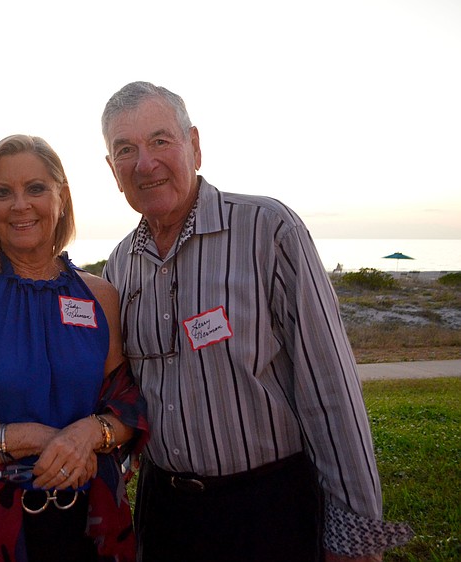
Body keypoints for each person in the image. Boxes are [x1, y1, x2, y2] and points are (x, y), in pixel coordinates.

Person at [100, 82, 412, 562]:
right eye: (126, 149)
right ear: (112, 170)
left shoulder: (268, 230)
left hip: (268, 509)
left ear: (195, 146)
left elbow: (331, 388)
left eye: (161, 140)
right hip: (165, 514)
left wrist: (354, 537)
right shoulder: (120, 266)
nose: (145, 163)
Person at [0, 134, 148, 562]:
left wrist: (89, 434)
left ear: (61, 196)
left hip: (90, 530)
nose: (20, 205)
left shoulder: (102, 297)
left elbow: (128, 408)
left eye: (35, 188)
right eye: (3, 192)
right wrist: (34, 438)